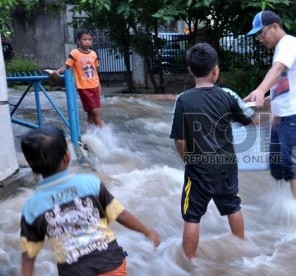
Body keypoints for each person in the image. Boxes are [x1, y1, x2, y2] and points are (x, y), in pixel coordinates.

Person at [20, 125, 160, 275]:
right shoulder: (91, 183)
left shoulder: (32, 207)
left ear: (32, 166)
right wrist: (146, 231)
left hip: (73, 271)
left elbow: (29, 255)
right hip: (110, 262)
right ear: (67, 156)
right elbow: (121, 214)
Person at [169, 43, 256, 260]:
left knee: (192, 216)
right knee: (233, 206)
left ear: (190, 70)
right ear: (216, 70)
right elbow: (250, 121)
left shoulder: (183, 100)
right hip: (227, 166)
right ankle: (241, 253)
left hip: (198, 169)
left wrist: (187, 160)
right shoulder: (227, 95)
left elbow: (180, 140)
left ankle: (188, 264)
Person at [244, 10, 296, 203]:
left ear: (275, 27)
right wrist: (270, 96)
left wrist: (259, 90)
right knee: (278, 167)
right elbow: (285, 79)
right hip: (282, 117)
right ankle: (285, 207)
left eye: (262, 33)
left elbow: (278, 70)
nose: (261, 38)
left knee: (294, 167)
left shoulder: (288, 43)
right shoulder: (281, 48)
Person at [54, 29, 103, 128]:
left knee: (90, 112)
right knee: (95, 111)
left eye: (89, 39)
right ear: (78, 41)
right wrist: (58, 71)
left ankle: (91, 133)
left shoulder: (94, 54)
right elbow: (67, 66)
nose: (87, 41)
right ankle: (104, 134)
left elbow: (96, 72)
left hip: (95, 85)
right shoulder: (75, 53)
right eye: (84, 39)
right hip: (83, 87)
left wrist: (99, 85)